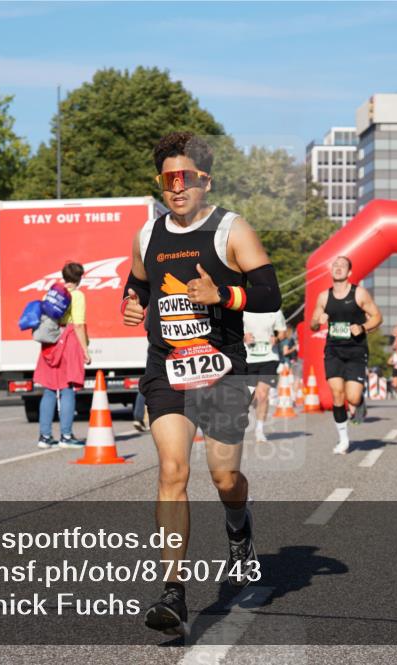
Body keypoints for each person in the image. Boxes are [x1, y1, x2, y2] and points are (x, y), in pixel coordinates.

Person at [121, 132, 281, 637]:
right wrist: (132, 299)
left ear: (205, 180)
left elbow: (269, 293)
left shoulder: (231, 229)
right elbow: (140, 281)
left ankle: (239, 525)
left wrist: (224, 294)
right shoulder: (148, 235)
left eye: (186, 177)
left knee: (224, 478)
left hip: (220, 370)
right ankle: (173, 591)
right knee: (172, 471)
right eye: (168, 179)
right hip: (166, 368)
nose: (177, 187)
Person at [309, 256, 383, 454]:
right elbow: (312, 324)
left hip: (356, 351)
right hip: (333, 350)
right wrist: (319, 321)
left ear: (350, 272)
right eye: (335, 265)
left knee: (352, 396)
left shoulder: (359, 293)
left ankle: (359, 402)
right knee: (337, 394)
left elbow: (377, 316)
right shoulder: (324, 297)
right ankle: (343, 439)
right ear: (331, 271)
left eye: (343, 266)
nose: (338, 268)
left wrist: (363, 327)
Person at [35, 262, 90, 448]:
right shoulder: (78, 296)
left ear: (64, 276)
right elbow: (79, 325)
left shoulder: (50, 293)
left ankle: (44, 437)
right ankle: (66, 436)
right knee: (67, 389)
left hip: (50, 342)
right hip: (68, 340)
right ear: (79, 278)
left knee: (50, 390)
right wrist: (85, 350)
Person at [244, 308, 287, 443]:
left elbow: (283, 332)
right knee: (249, 396)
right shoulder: (243, 309)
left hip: (269, 357)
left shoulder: (274, 310)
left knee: (262, 394)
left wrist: (277, 338)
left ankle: (259, 430)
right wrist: (243, 337)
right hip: (248, 358)